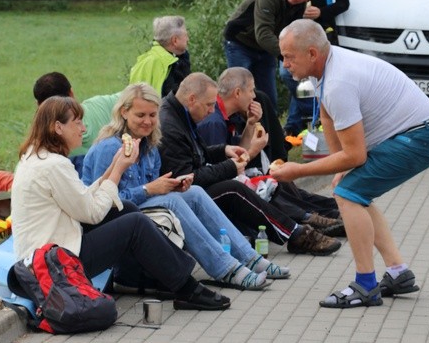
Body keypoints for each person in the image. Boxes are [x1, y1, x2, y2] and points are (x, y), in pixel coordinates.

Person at [273, 19, 429, 309]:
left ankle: (366, 286)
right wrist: (339, 164)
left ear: (312, 54)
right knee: (353, 189)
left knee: (347, 194)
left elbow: (356, 156)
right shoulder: (326, 70)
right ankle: (398, 272)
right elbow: (328, 117)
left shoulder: (339, 81)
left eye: (289, 57)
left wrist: (298, 171)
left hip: (421, 137)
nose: (285, 63)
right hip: (419, 132)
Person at [10, 95, 230, 311]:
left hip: (47, 253)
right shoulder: (53, 165)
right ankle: (187, 289)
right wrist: (118, 170)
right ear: (58, 127)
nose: (84, 129)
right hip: (54, 264)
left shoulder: (37, 158)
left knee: (126, 210)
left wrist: (114, 165)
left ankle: (148, 278)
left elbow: (82, 199)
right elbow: (92, 213)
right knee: (134, 224)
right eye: (77, 123)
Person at [82, 83, 290, 290]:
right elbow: (105, 200)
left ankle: (250, 258)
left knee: (195, 192)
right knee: (173, 201)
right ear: (124, 112)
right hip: (112, 219)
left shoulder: (149, 145)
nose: (147, 121)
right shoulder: (110, 147)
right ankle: (227, 269)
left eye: (153, 115)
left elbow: (151, 189)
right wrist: (151, 189)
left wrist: (172, 186)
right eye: (140, 115)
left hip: (138, 208)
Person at [158, 72, 341, 256]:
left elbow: (199, 155)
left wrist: (223, 149)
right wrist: (232, 165)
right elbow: (186, 179)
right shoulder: (175, 126)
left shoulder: (181, 114)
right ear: (192, 99)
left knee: (267, 182)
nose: (211, 110)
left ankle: (313, 220)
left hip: (188, 190)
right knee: (235, 188)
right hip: (180, 197)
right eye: (209, 105)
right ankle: (298, 232)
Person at [0, 72, 118, 218]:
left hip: (61, 188)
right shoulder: (100, 105)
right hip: (90, 179)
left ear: (40, 107)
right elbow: (133, 96)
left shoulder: (50, 133)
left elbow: (25, 175)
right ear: (71, 92)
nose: (82, 129)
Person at [197, 67, 344, 236]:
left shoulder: (226, 116)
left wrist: (251, 123)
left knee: (277, 184)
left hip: (231, 180)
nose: (254, 96)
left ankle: (330, 212)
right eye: (251, 90)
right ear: (237, 93)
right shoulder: (213, 122)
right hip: (220, 190)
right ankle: (313, 220)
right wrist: (254, 151)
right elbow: (221, 170)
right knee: (268, 186)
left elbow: (237, 152)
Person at [277, 0, 350, 136]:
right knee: (290, 73)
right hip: (292, 27)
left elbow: (344, 2)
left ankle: (293, 127)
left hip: (320, 29)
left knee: (311, 77)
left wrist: (322, 12)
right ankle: (309, 116)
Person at [223, 0, 320, 108]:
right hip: (240, 42)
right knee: (238, 92)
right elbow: (263, 34)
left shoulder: (300, 5)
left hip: (265, 48)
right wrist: (290, 56)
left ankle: (269, 128)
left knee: (268, 99)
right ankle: (233, 126)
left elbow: (292, 33)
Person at [129, 15, 191, 97]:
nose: (188, 39)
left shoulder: (177, 59)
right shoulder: (162, 64)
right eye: (186, 35)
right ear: (175, 40)